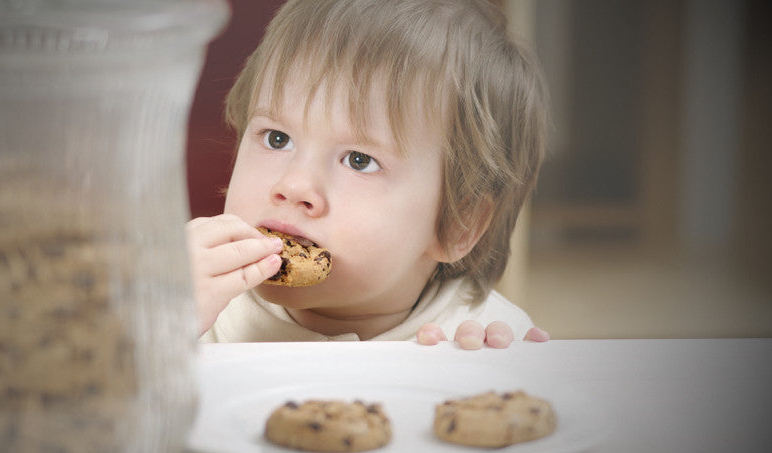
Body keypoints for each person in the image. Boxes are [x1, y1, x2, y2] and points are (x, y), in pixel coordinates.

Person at [187, 0, 550, 349]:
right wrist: (153, 328)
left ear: (460, 224)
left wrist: (497, 379)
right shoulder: (191, 301)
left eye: (359, 160)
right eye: (277, 139)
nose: (294, 186)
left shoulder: (477, 342)